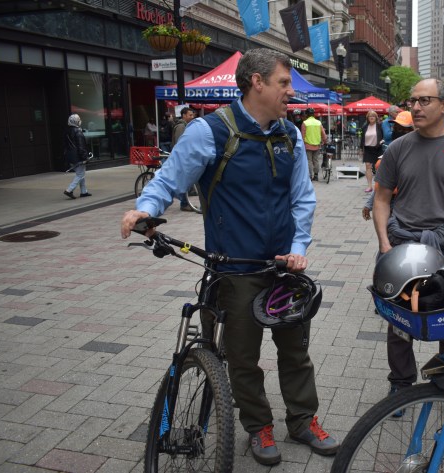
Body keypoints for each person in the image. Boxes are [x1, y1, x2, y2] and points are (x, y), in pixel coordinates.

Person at [120, 48, 338, 466]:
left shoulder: (289, 134)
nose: (290, 92)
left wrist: (297, 249)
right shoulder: (210, 132)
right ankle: (259, 427)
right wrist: (145, 209)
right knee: (242, 358)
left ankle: (303, 419)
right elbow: (169, 180)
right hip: (234, 269)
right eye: (283, 83)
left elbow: (302, 199)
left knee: (295, 351)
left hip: (283, 269)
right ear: (257, 83)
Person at [373, 78, 444, 408]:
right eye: (413, 101)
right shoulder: (397, 148)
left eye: (425, 101)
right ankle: (401, 383)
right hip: (402, 245)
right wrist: (384, 244)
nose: (416, 107)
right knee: (399, 321)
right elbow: (381, 199)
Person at [362, 110, 414, 221]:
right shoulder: (391, 151)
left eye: (405, 129)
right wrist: (369, 204)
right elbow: (382, 183)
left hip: (409, 207)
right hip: (389, 204)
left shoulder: (418, 153)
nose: (399, 132)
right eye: (397, 128)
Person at [172, 107, 197, 211]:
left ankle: (186, 201)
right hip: (182, 157)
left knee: (185, 180)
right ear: (184, 115)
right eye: (190, 115)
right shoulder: (181, 127)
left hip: (184, 157)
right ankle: (184, 203)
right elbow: (180, 143)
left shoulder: (186, 126)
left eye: (192, 115)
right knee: (184, 181)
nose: (192, 117)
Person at [63, 113, 92, 199]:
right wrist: (85, 157)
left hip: (70, 156)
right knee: (80, 175)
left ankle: (84, 192)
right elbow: (81, 146)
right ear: (76, 122)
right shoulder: (78, 131)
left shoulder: (66, 131)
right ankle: (69, 190)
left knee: (80, 173)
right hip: (78, 157)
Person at [360, 110, 383, 193]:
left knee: (378, 167)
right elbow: (362, 138)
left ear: (376, 118)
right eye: (370, 116)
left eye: (373, 116)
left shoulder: (380, 126)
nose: (372, 117)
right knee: (368, 166)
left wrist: (382, 141)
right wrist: (360, 148)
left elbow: (384, 136)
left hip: (378, 148)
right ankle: (369, 186)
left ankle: (379, 185)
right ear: (367, 118)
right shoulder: (365, 127)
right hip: (368, 149)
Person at [301, 107, 327, 181]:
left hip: (308, 145)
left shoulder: (305, 123)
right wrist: (325, 141)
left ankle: (310, 176)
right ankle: (316, 175)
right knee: (316, 160)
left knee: (309, 161)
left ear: (307, 115)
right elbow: (323, 134)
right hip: (317, 145)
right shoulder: (318, 123)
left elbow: (302, 136)